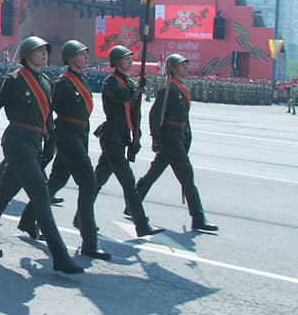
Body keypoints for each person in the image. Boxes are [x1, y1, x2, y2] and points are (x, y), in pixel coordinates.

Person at [0, 37, 84, 273]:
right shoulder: (13, 79)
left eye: (46, 49)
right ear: (26, 53)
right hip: (17, 140)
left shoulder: (44, 81)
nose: (44, 53)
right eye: (39, 50)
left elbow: (47, 114)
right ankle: (60, 255)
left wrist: (50, 141)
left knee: (5, 193)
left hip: (34, 142)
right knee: (41, 192)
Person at [17, 40, 110, 260]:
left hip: (80, 134)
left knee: (57, 181)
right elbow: (49, 109)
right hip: (67, 137)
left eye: (87, 53)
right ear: (70, 58)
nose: (87, 56)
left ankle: (29, 218)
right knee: (88, 182)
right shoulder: (63, 83)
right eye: (81, 54)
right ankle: (89, 241)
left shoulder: (82, 79)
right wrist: (48, 137)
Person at [135, 54, 218, 232]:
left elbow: (183, 119)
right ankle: (198, 218)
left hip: (177, 137)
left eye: (185, 65)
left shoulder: (179, 88)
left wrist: (186, 137)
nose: (185, 68)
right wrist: (156, 138)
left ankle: (132, 204)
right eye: (181, 66)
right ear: (172, 68)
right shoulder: (168, 89)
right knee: (187, 174)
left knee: (153, 173)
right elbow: (155, 115)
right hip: (170, 138)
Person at [91, 45, 164, 237]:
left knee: (98, 179)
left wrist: (136, 138)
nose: (130, 61)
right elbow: (119, 97)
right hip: (111, 137)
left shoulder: (130, 83)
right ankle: (141, 224)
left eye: (130, 58)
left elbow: (135, 114)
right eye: (125, 58)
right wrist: (136, 88)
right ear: (115, 62)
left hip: (122, 137)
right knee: (128, 181)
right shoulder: (111, 82)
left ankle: (81, 217)